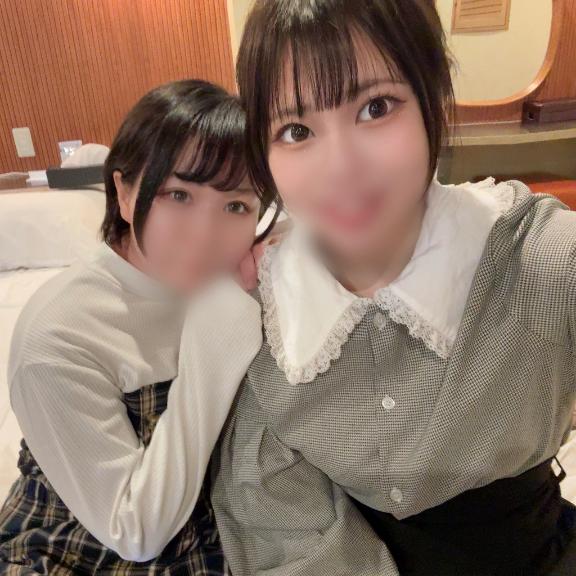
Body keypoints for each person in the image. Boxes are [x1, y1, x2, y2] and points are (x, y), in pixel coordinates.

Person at [210, 1, 576, 574]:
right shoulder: (262, 313)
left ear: (432, 95)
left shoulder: (536, 260)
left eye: (375, 107)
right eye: (296, 130)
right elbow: (277, 519)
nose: (341, 168)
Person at [0, 80, 272, 574]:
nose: (205, 235)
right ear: (124, 194)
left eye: (236, 206)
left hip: (216, 527)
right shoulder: (58, 336)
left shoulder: (243, 277)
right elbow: (135, 531)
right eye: (178, 195)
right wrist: (217, 337)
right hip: (81, 546)